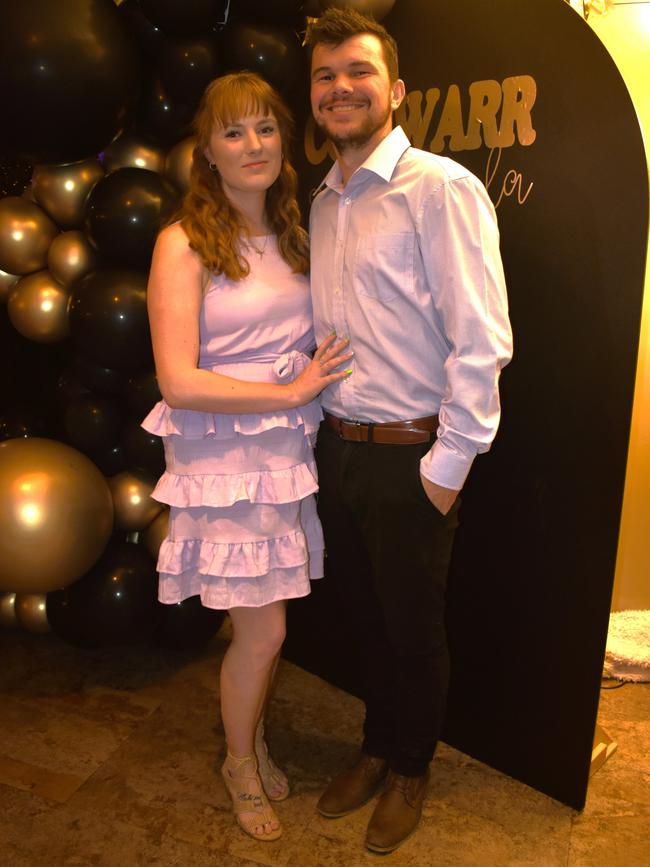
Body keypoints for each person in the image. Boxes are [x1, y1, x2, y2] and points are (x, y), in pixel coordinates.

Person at [305, 8, 513, 854]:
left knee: (413, 629)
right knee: (362, 614)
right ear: (312, 96)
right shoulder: (321, 202)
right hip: (337, 448)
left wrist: (446, 465)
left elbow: (483, 337)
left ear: (394, 90)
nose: (340, 88)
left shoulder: (440, 186)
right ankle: (376, 745)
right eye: (324, 76)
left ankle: (412, 766)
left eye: (357, 71)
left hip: (411, 456)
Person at [141, 71, 353, 844]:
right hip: (223, 458)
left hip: (282, 452)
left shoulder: (296, 229)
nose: (253, 145)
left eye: (265, 127)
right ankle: (237, 760)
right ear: (208, 149)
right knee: (264, 633)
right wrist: (291, 391)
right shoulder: (183, 242)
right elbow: (178, 377)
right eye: (234, 132)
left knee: (266, 626)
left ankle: (250, 737)